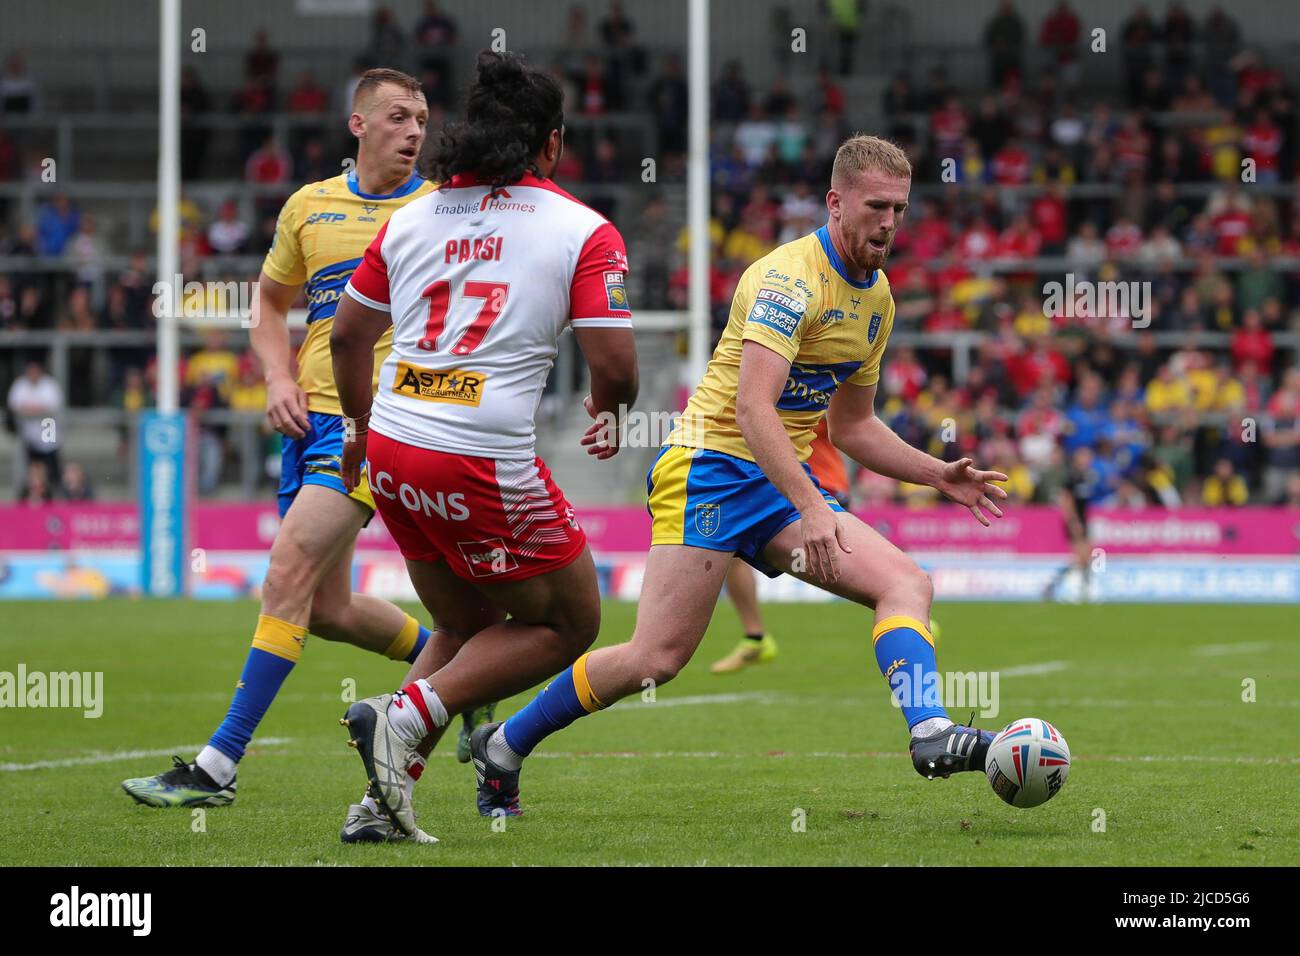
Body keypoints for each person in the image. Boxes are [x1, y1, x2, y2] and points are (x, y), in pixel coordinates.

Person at [468, 135, 1010, 817]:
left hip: (776, 485)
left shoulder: (879, 301)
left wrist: (939, 475)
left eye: (900, 209)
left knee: (906, 581)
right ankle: (504, 744)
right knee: (655, 658)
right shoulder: (787, 281)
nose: (889, 223)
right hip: (712, 470)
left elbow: (851, 426)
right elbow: (754, 409)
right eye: (876, 206)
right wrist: (814, 507)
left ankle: (929, 731)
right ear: (835, 203)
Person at [122, 70, 494, 842]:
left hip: (377, 425)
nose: (414, 131)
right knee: (325, 608)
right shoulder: (309, 207)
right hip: (306, 425)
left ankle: (217, 767)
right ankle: (468, 677)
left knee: (284, 574)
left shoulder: (439, 210)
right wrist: (276, 374)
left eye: (422, 119)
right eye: (397, 117)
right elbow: (269, 303)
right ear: (358, 123)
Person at [331, 50, 638, 841]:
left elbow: (347, 336)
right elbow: (614, 362)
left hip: (395, 444)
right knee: (573, 621)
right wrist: (610, 405)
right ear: (551, 145)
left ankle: (380, 806)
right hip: (478, 455)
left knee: (465, 623)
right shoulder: (583, 228)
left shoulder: (413, 215)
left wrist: (359, 432)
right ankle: (404, 714)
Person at [709, 419, 849, 674]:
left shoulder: (810, 386)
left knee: (844, 567)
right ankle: (755, 638)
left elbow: (848, 424)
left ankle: (905, 606)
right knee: (731, 549)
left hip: (820, 484)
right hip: (777, 486)